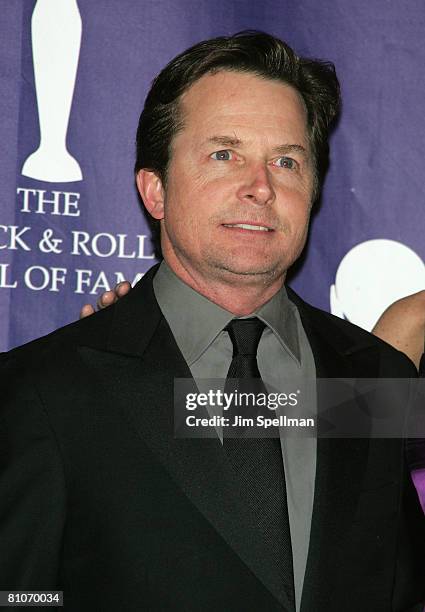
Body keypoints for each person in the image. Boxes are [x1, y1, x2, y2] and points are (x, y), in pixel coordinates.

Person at [1, 32, 424, 612]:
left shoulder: (376, 380)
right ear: (155, 190)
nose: (261, 187)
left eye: (286, 160)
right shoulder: (44, 390)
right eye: (224, 154)